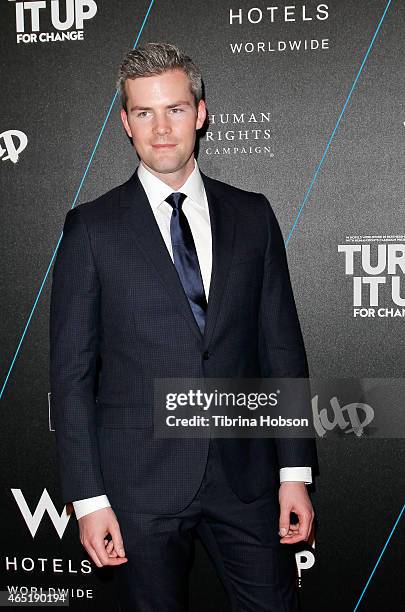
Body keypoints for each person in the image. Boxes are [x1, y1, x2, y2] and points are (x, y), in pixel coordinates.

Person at [49, 42, 318, 611]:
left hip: (247, 480)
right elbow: (70, 376)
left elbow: (282, 349)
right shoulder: (91, 230)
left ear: (200, 112)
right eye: (144, 113)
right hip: (137, 486)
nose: (161, 128)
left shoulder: (254, 216)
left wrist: (294, 470)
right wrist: (89, 499)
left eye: (174, 109)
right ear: (125, 123)